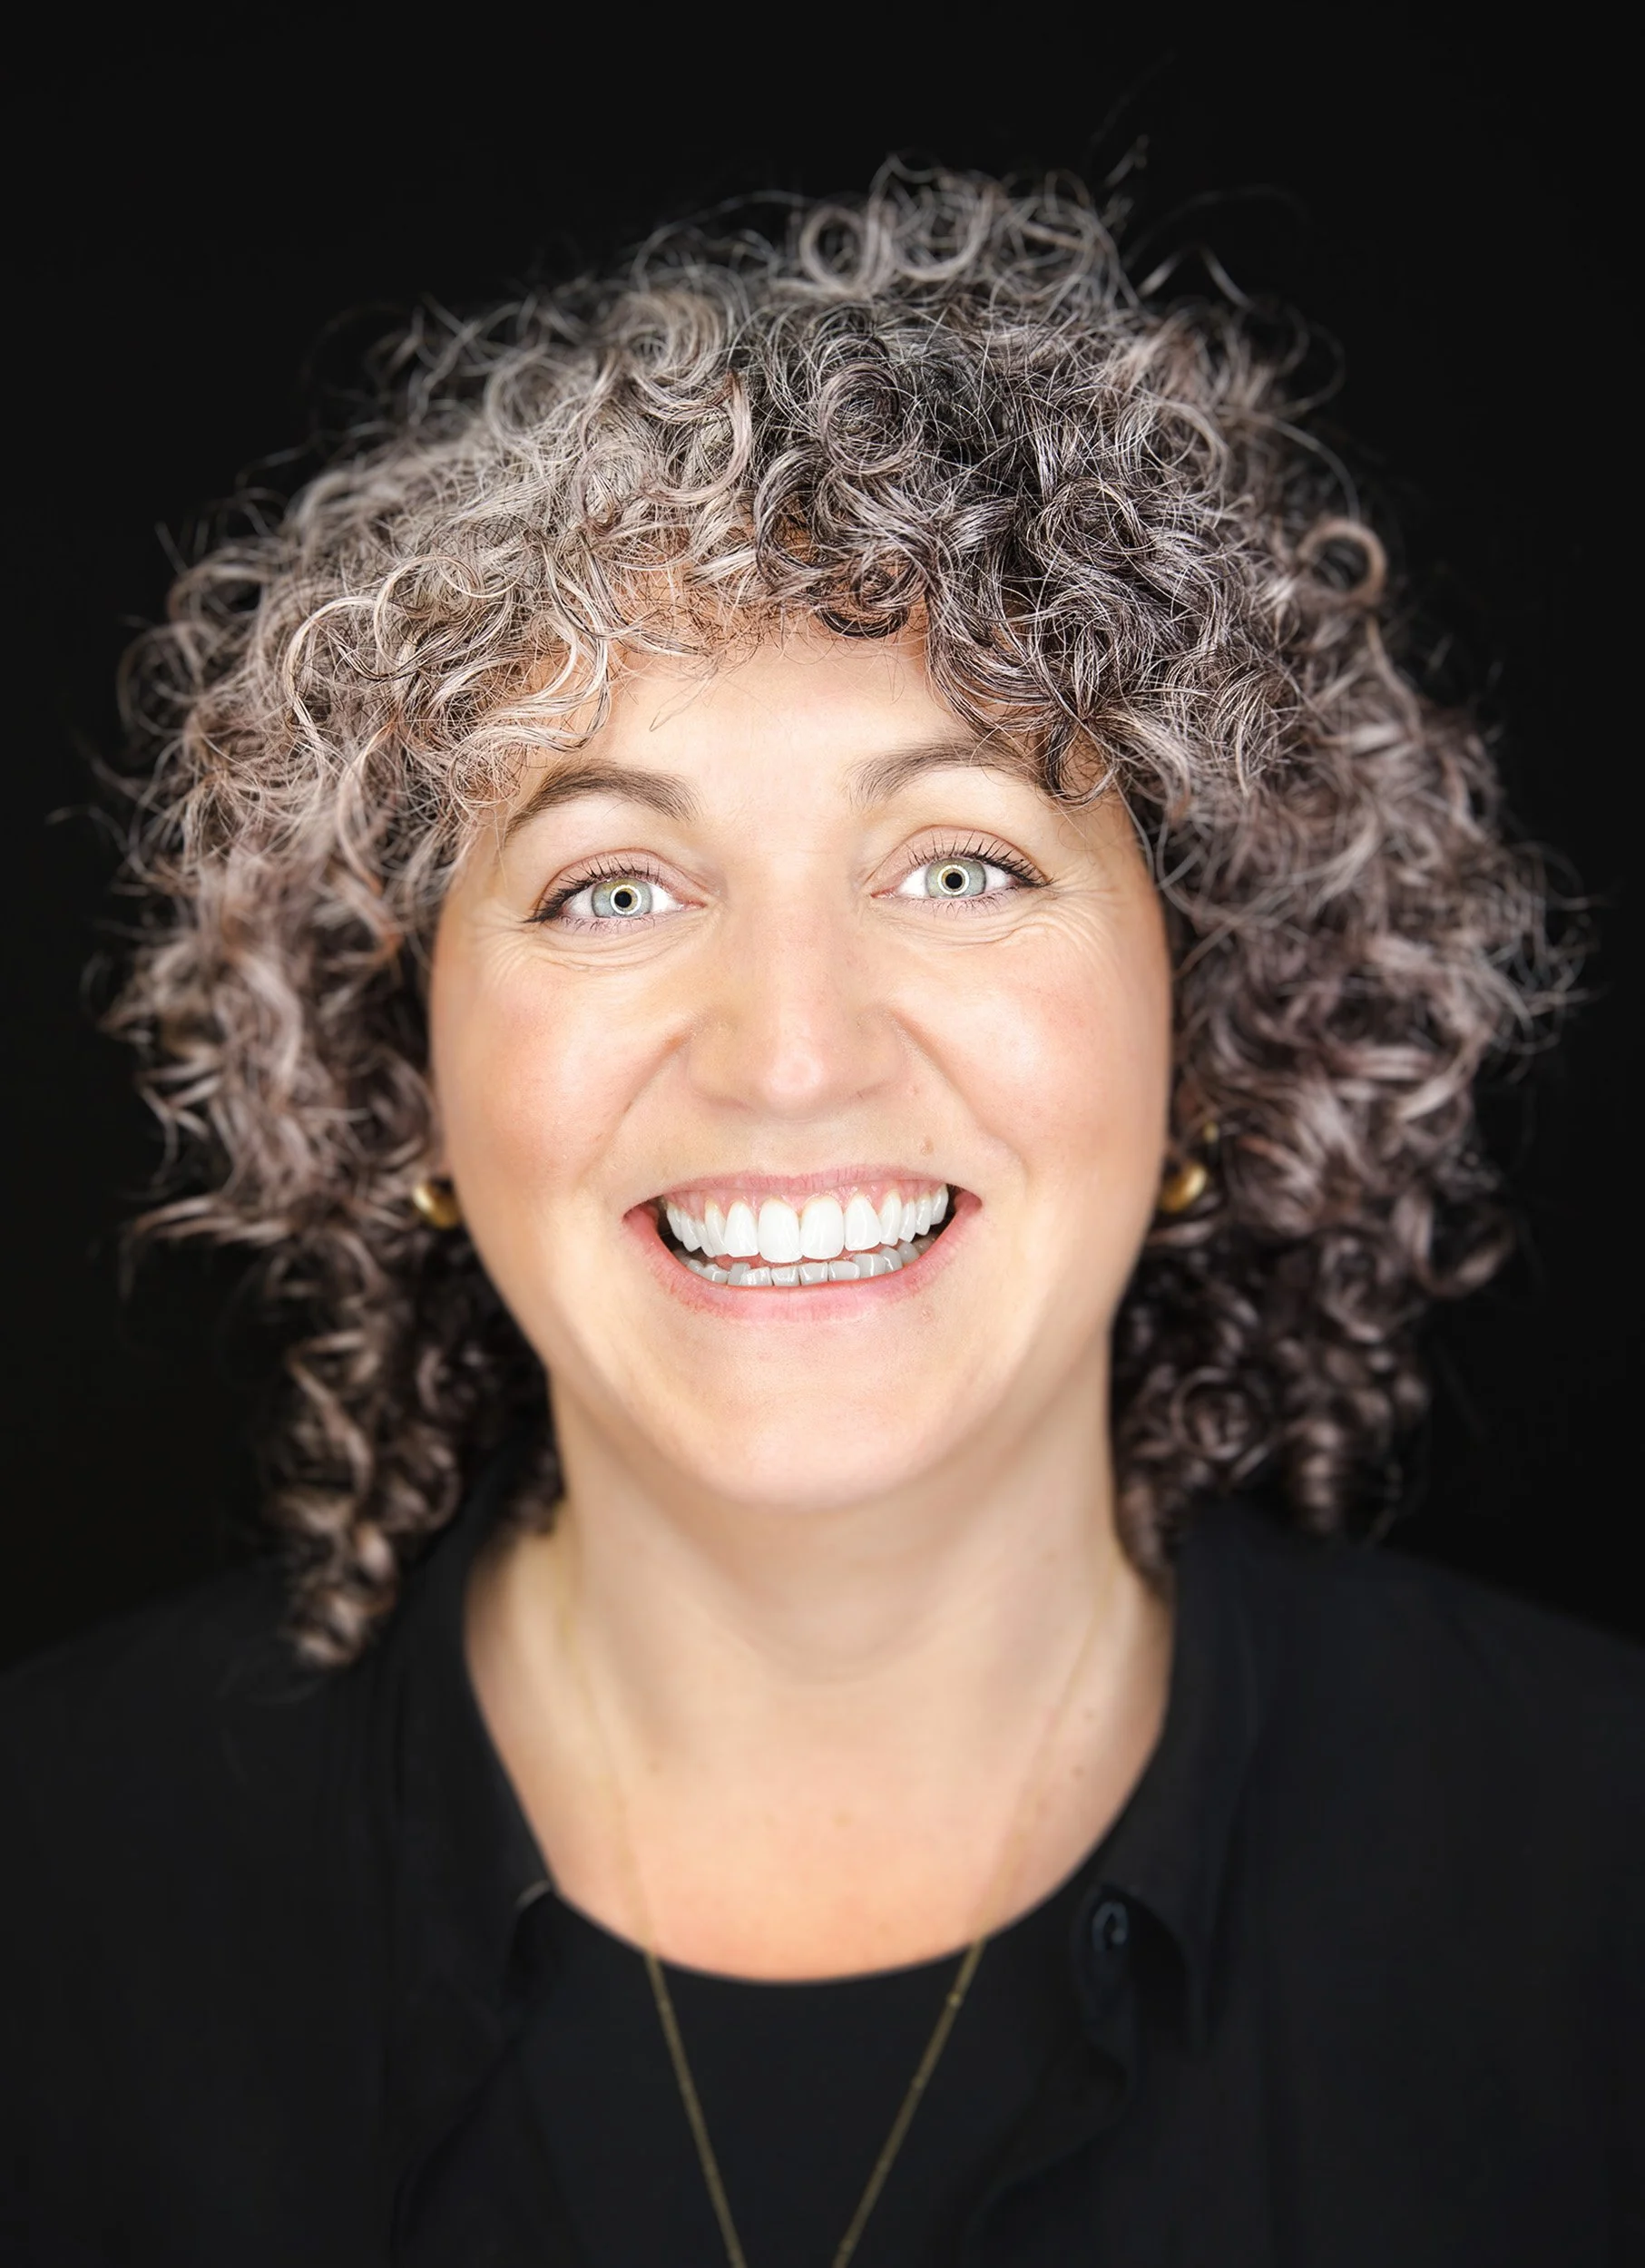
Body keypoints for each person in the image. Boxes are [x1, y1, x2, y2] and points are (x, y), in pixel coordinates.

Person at [2, 168, 1639, 2268]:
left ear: (1213, 1030)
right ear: (405, 1070)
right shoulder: (45, 1907)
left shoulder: (1602, 1891)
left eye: (958, 864)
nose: (791, 1052)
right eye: (613, 886)